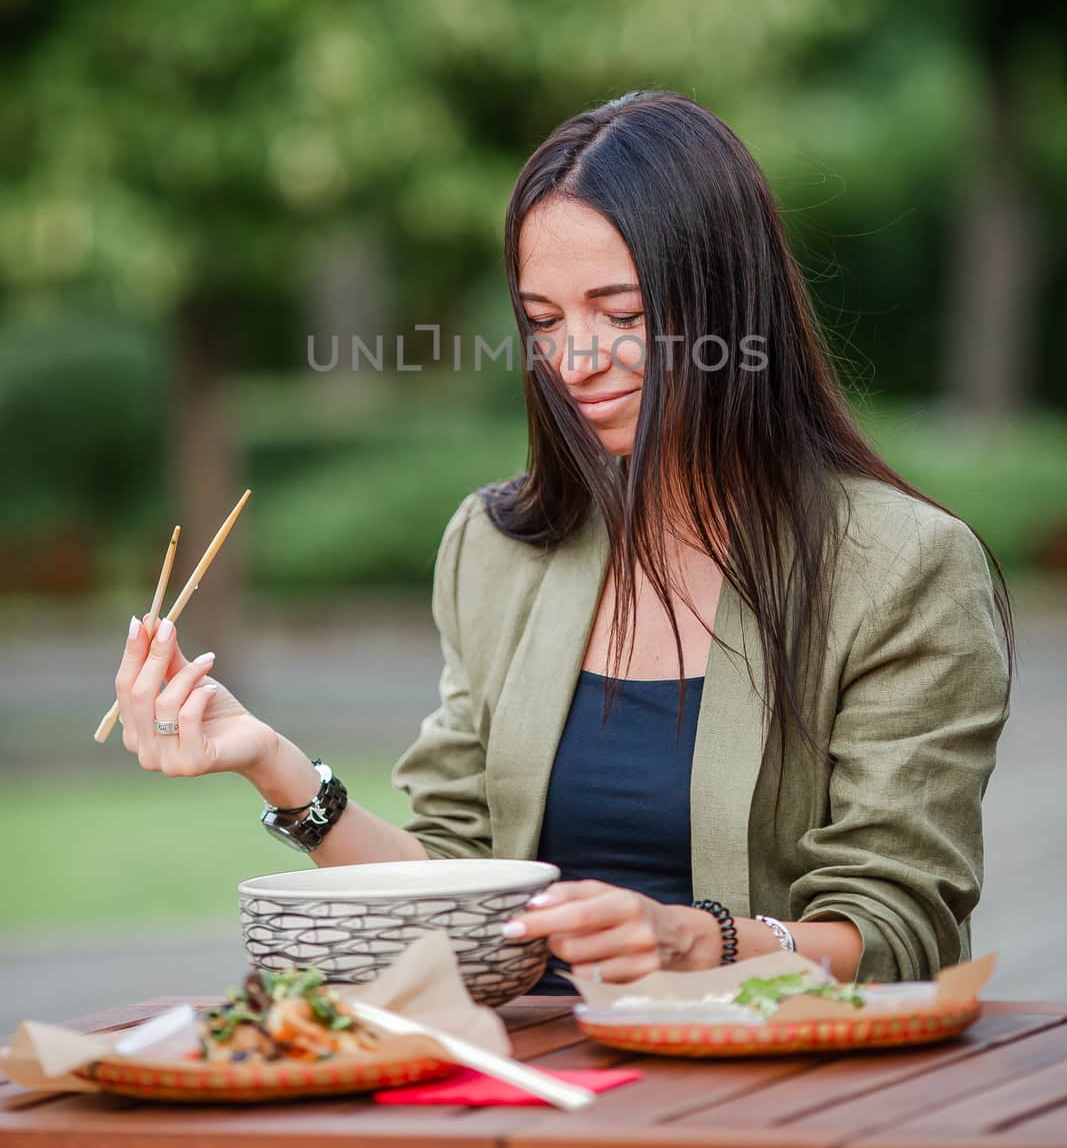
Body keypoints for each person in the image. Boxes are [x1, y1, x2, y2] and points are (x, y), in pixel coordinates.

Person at [113, 91, 1015, 992]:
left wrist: (702, 944)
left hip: (766, 1092)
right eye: (543, 321)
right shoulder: (498, 549)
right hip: (524, 1082)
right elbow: (450, 884)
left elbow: (897, 929)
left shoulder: (901, 568)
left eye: (619, 314)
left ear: (730, 307)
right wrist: (275, 768)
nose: (574, 361)